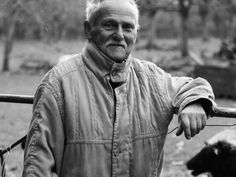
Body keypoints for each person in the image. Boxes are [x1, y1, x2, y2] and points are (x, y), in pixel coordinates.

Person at [22, 0, 215, 177]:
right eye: (110, 25)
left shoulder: (153, 80)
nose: (119, 34)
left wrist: (195, 102)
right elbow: (37, 167)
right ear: (88, 29)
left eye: (128, 27)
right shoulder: (58, 84)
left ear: (136, 33)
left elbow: (194, 86)